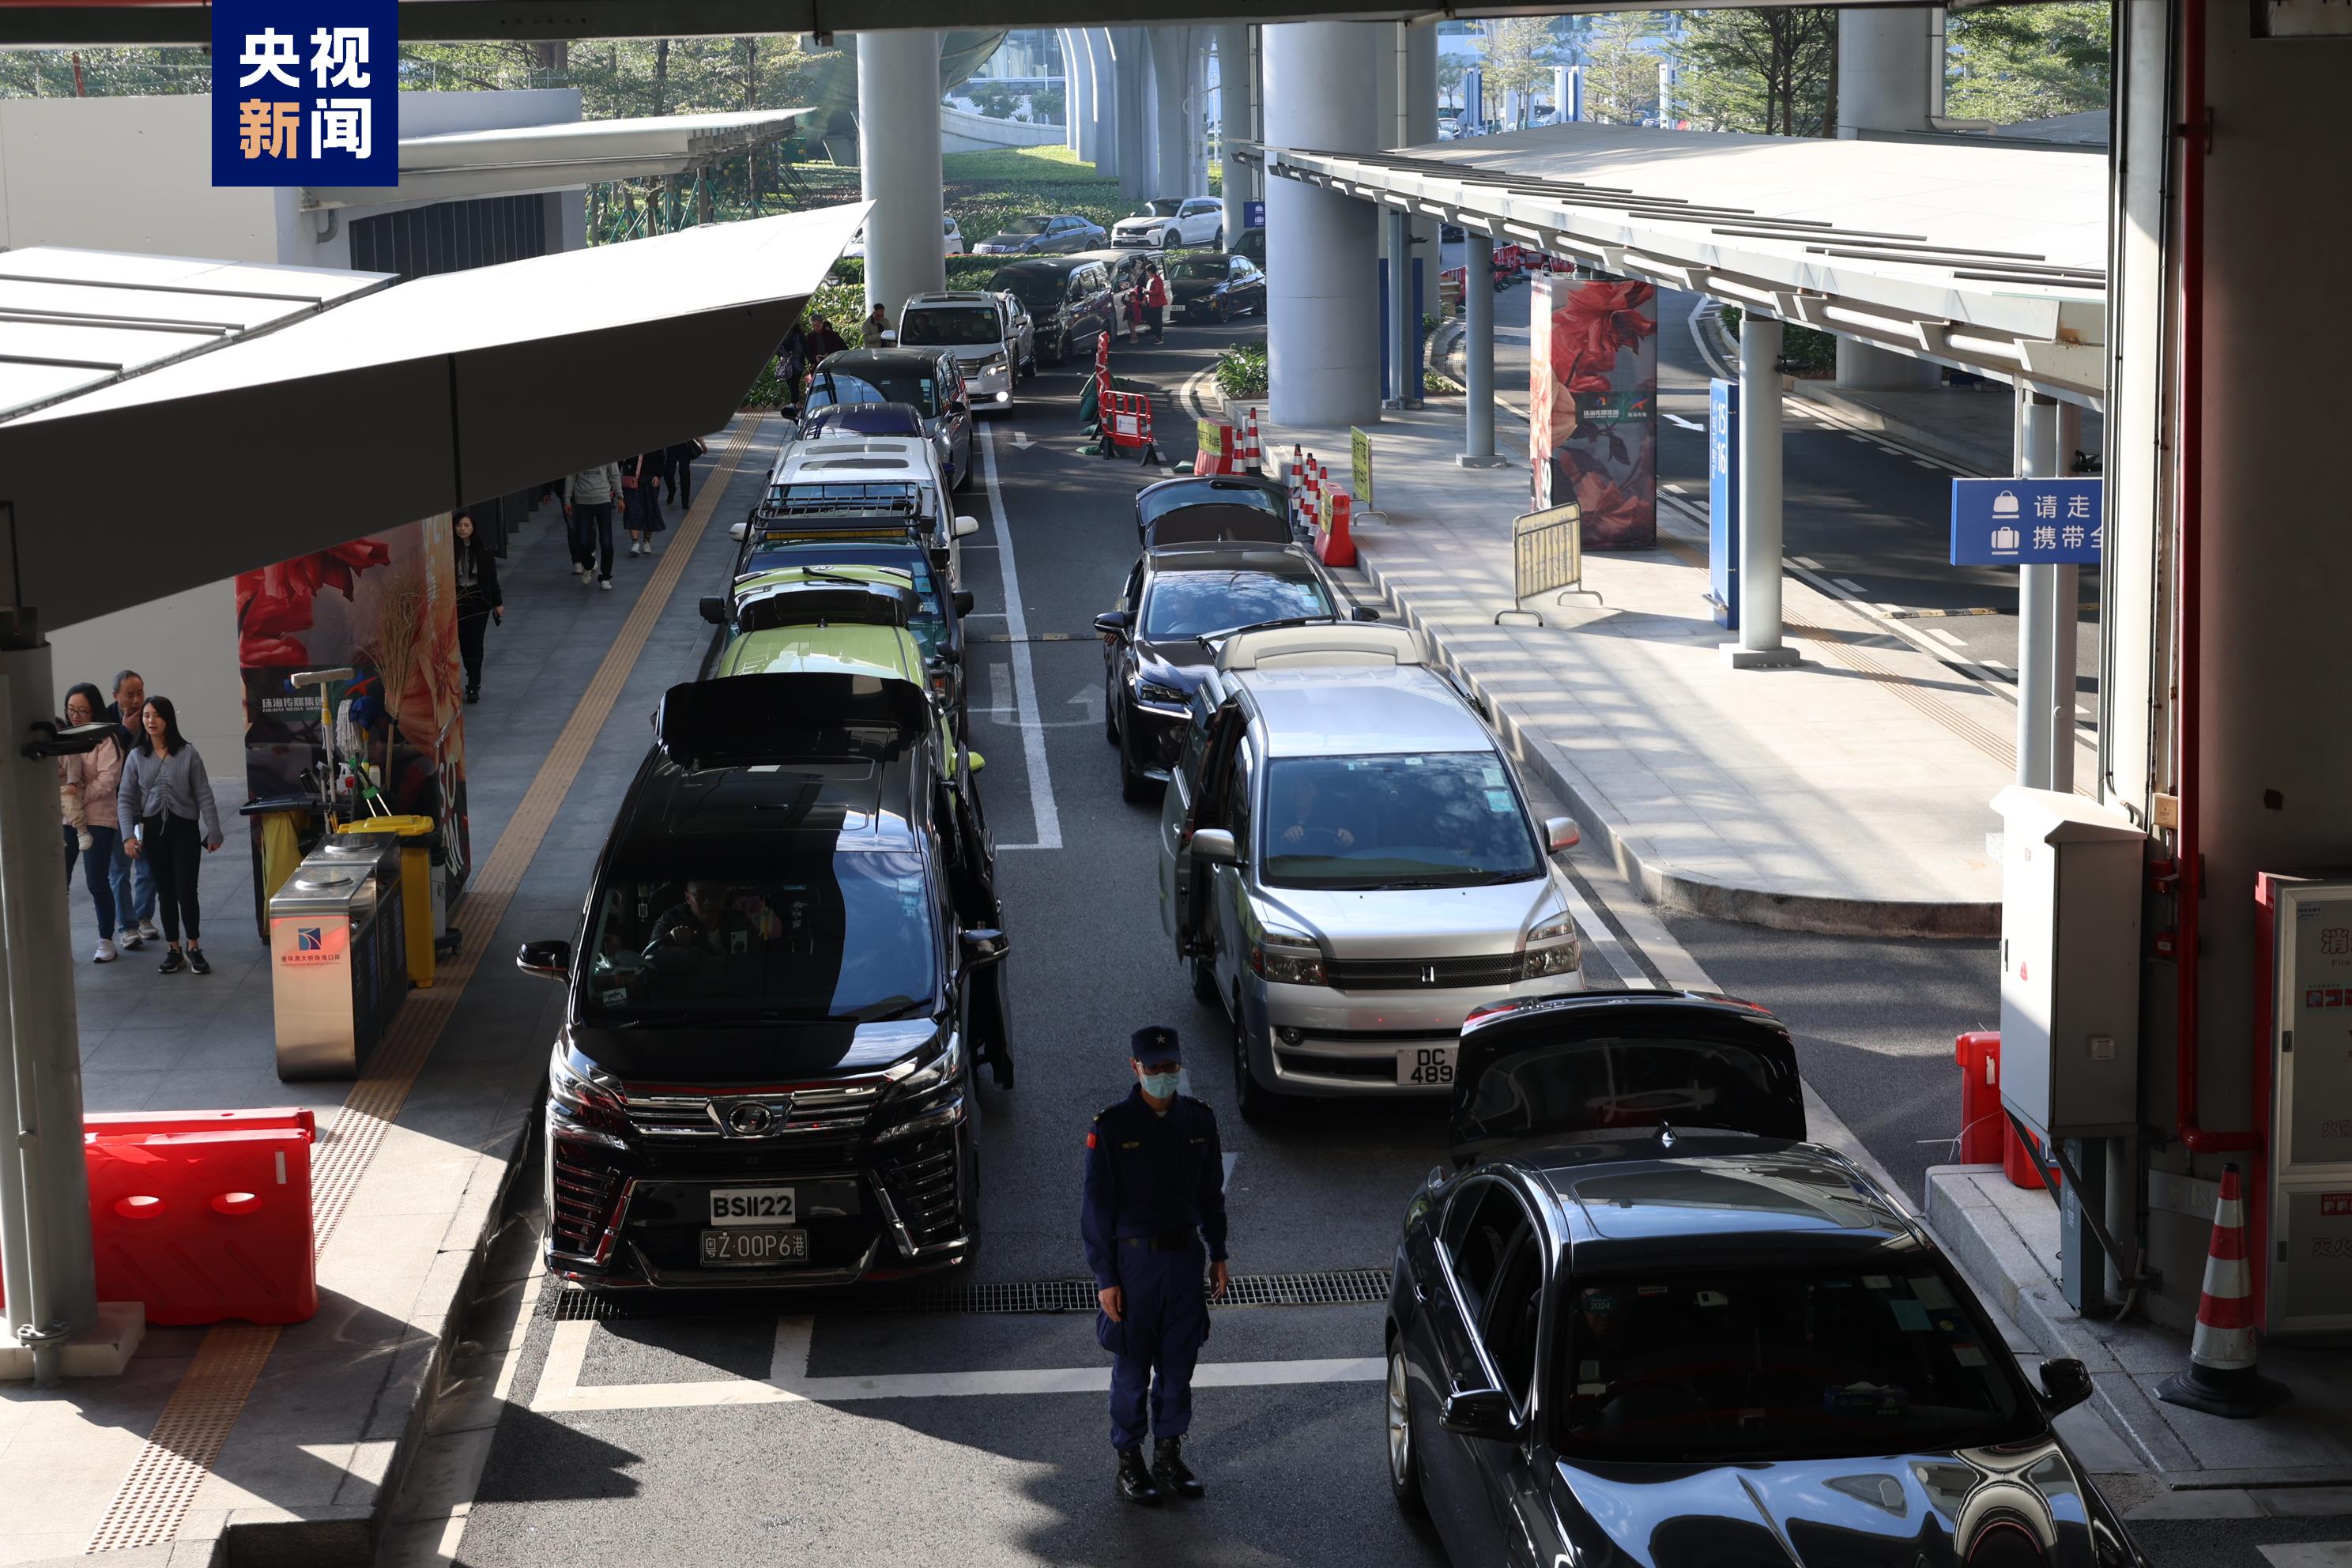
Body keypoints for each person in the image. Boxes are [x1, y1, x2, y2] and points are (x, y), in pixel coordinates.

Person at [1080, 1026, 1231, 1506]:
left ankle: (1168, 1455)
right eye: (1154, 1068)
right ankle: (1130, 1460)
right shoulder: (1113, 1127)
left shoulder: (1199, 1121)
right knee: (1132, 1366)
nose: (1164, 1076)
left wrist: (1219, 1253)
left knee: (1179, 1364)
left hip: (1185, 1259)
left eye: (1171, 1067)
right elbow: (1096, 1209)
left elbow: (1211, 1194)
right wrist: (1106, 1279)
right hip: (1135, 1265)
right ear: (1135, 1068)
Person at [117, 695, 222, 976]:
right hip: (153, 832)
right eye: (147, 716)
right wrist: (128, 835)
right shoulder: (137, 756)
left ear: (168, 720)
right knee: (165, 891)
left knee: (187, 890)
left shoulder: (188, 753)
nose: (151, 721)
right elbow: (125, 798)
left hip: (185, 829)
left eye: (156, 716)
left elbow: (203, 793)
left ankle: (194, 946)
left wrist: (214, 830)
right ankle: (173, 949)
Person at [58, 682, 125, 963]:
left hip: (98, 817)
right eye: (71, 710)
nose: (76, 716)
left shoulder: (106, 739)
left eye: (83, 711)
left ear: (95, 710)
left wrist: (78, 797)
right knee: (58, 881)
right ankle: (58, 940)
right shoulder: (63, 737)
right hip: (67, 818)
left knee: (97, 881)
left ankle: (106, 939)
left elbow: (108, 780)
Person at [104, 669, 158, 949]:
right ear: (116, 696)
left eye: (140, 693)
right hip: (117, 807)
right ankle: (127, 926)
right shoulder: (105, 722)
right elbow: (106, 764)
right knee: (120, 868)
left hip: (147, 805)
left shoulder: (152, 715)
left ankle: (144, 916)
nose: (137, 700)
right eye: (130, 695)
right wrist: (126, 732)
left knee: (148, 865)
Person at [451, 513, 503, 704]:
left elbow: (491, 578)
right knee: (464, 641)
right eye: (459, 525)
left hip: (478, 598)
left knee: (476, 640)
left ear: (473, 528)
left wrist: (497, 603)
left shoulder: (483, 550)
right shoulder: (450, 550)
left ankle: (474, 683)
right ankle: (471, 673)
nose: (462, 529)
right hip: (459, 598)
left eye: (466, 525)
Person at [562, 459, 623, 591]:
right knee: (583, 541)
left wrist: (620, 496)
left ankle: (605, 577)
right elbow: (571, 476)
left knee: (606, 542)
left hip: (603, 501)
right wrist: (567, 499)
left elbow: (614, 474)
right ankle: (589, 564)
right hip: (583, 503)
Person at [1276, 775, 1355, 854]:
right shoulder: (1271, 819)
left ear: (1315, 792)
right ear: (1284, 792)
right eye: (1293, 786)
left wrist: (1347, 839)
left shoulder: (1330, 821)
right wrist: (1284, 838)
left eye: (1306, 786)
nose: (1298, 791)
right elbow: (1272, 850)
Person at [622, 448, 668, 557]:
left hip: (650, 480)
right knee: (633, 509)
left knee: (649, 509)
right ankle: (635, 542)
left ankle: (647, 541)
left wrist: (658, 476)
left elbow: (662, 460)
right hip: (632, 479)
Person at [665, 435, 708, 509]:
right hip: (670, 447)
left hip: (684, 447)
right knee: (668, 473)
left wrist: (702, 444)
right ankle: (672, 490)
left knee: (685, 472)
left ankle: (685, 500)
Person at [1143, 262, 1169, 344]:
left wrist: (1148, 293)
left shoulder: (1158, 280)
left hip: (1157, 303)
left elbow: (1159, 292)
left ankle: (1159, 337)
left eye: (1148, 272)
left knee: (1156, 320)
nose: (1147, 274)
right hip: (1151, 303)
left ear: (1150, 272)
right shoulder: (1151, 280)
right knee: (1149, 318)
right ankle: (1157, 333)